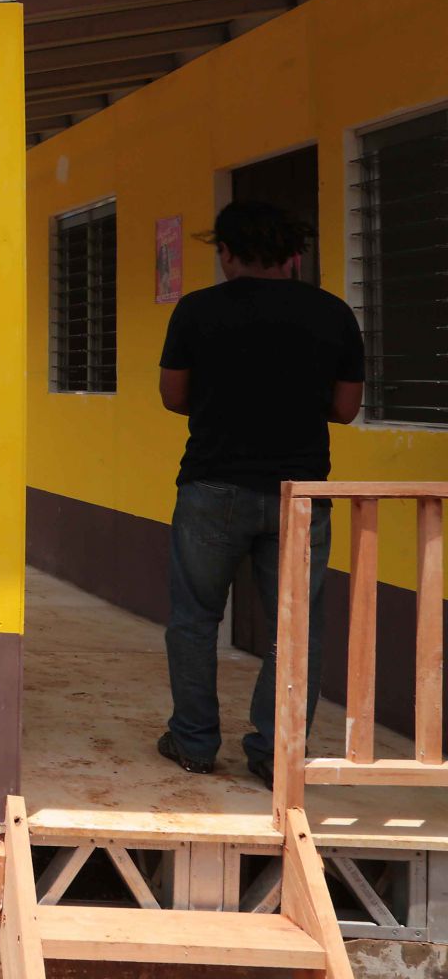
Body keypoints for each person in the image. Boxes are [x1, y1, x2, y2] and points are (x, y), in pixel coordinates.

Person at [155, 201, 363, 787]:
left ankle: (194, 743)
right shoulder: (332, 314)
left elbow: (173, 396)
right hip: (299, 494)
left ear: (225, 252)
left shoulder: (197, 311)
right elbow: (346, 409)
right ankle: (278, 755)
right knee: (295, 628)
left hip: (212, 487)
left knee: (194, 619)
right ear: (294, 255)